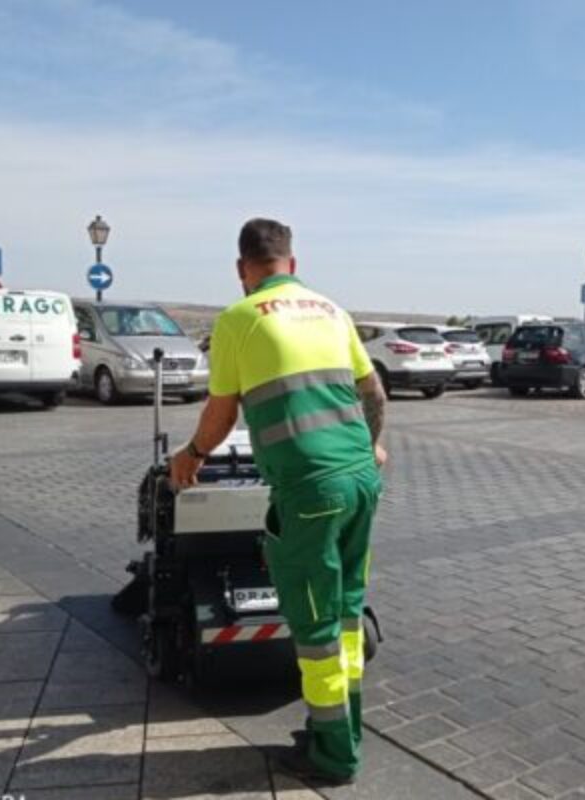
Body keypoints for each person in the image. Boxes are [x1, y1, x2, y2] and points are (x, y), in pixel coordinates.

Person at [170, 218, 387, 785]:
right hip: (361, 481)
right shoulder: (331, 310)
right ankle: (341, 729)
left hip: (310, 490)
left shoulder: (239, 318)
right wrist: (372, 445)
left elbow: (221, 415)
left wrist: (191, 455)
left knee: (314, 630)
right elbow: (374, 393)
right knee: (344, 613)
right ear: (292, 262)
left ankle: (333, 755)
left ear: (243, 269)